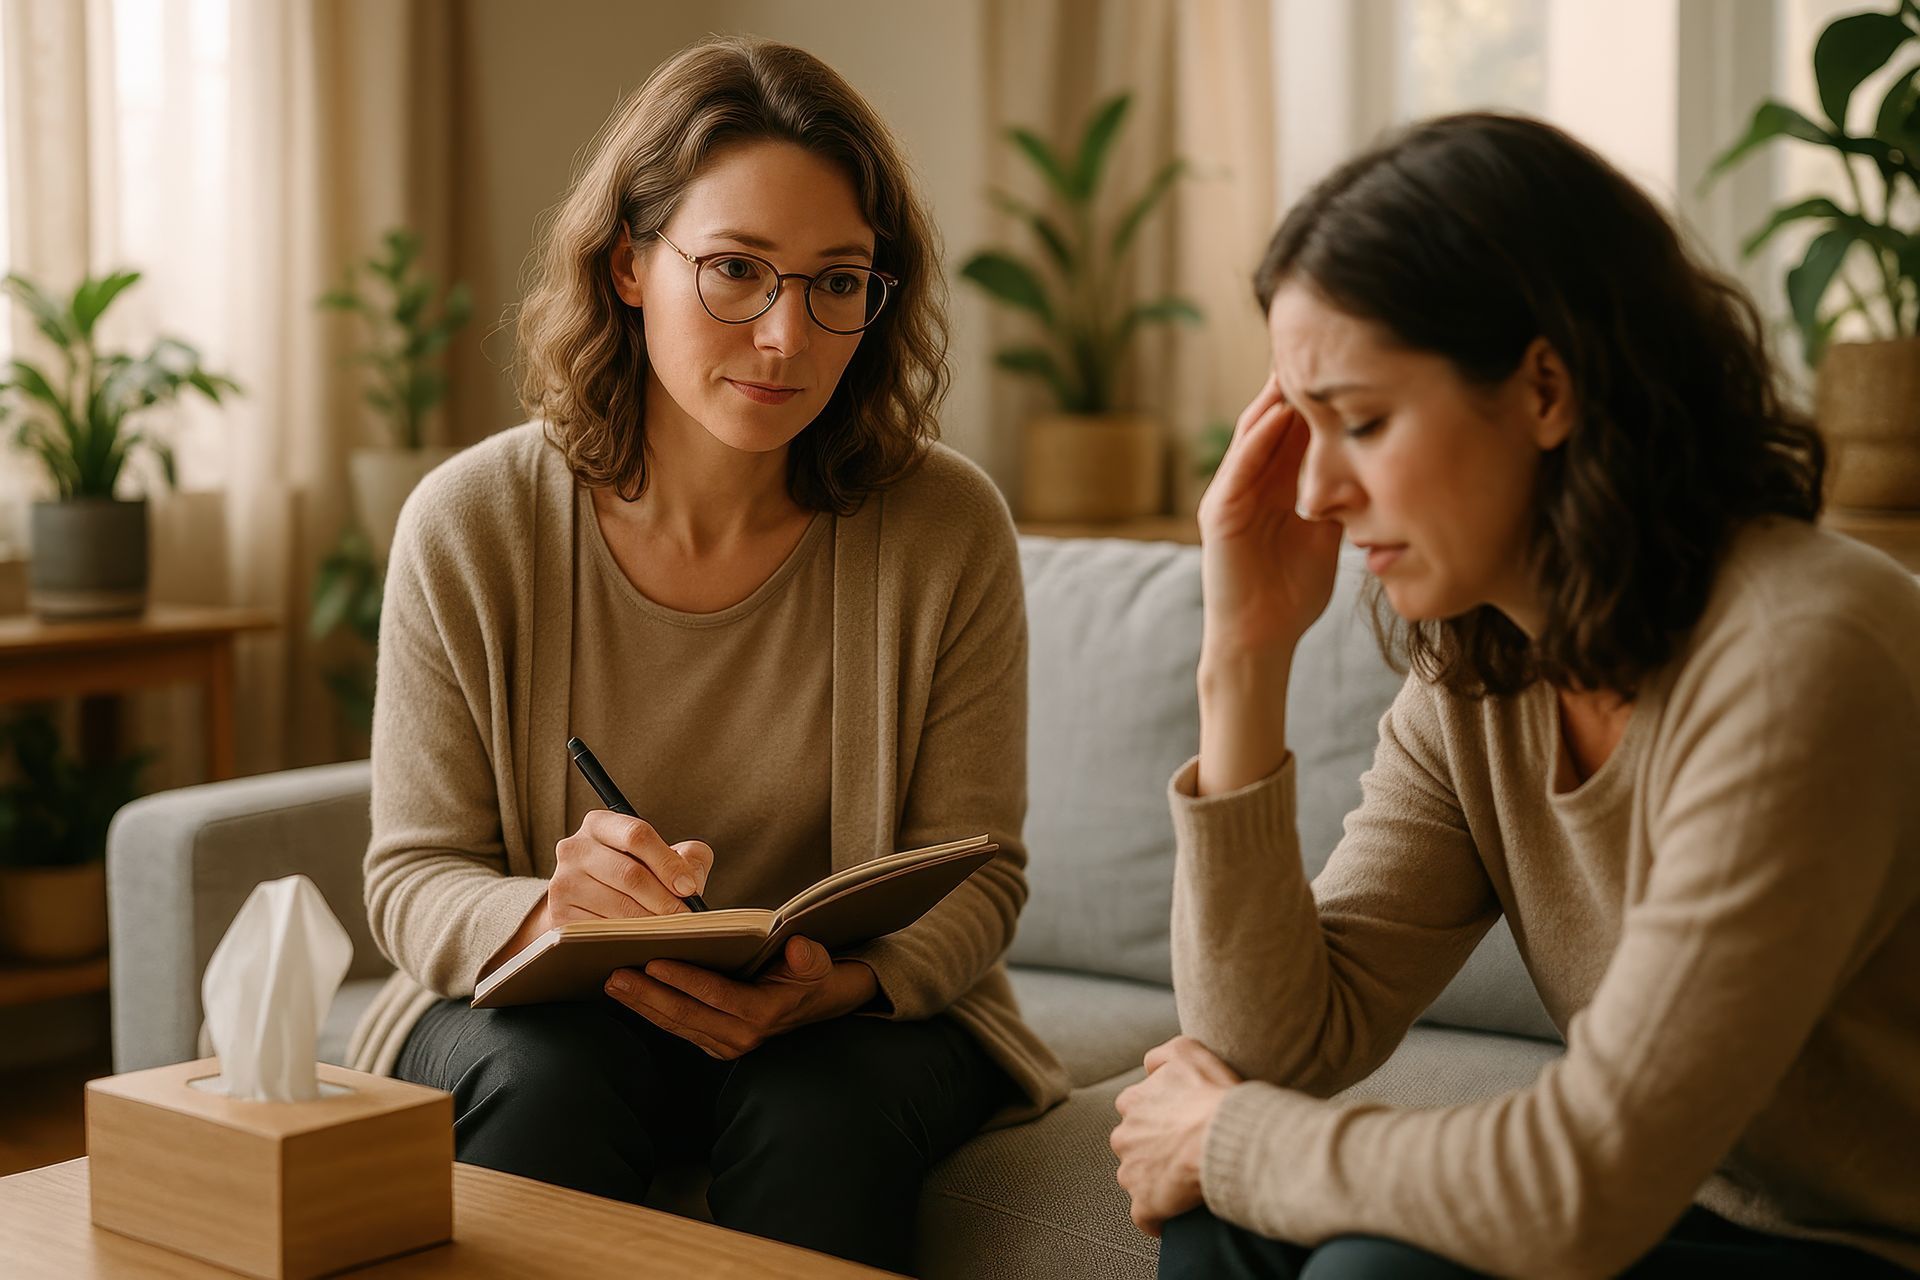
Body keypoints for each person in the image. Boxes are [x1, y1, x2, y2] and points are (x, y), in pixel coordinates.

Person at [1109, 112, 1920, 1278]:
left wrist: (1228, 1134)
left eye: (1365, 419)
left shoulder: (1805, 656)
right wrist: (1241, 652)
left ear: (1546, 386)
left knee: (1354, 1257)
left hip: (1877, 1244)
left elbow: (1580, 1180)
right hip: (1700, 1207)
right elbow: (1273, 1048)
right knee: (1222, 1206)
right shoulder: (1483, 670)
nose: (1320, 489)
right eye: (1304, 425)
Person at [345, 36, 1068, 1272]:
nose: (788, 336)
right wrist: (546, 910)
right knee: (546, 1086)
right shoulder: (470, 524)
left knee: (820, 1108)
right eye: (735, 270)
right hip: (554, 1017)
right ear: (630, 263)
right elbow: (413, 875)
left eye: (838, 281)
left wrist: (831, 987)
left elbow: (981, 876)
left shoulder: (947, 527)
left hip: (843, 1019)